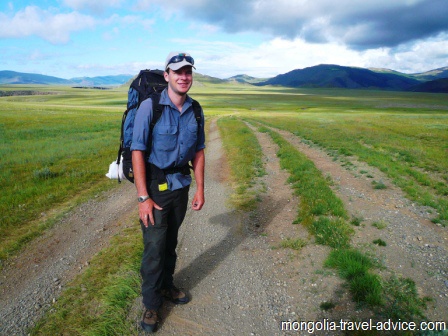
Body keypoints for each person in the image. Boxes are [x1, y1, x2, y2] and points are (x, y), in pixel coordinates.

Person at [131, 51, 205, 333]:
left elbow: (198, 151)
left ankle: (166, 286)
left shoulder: (196, 109)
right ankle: (150, 304)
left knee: (170, 242)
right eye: (178, 72)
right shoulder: (151, 107)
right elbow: (137, 150)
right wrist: (143, 197)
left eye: (188, 72)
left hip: (181, 187)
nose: (184, 77)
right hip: (154, 190)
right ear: (167, 76)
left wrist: (200, 188)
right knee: (153, 248)